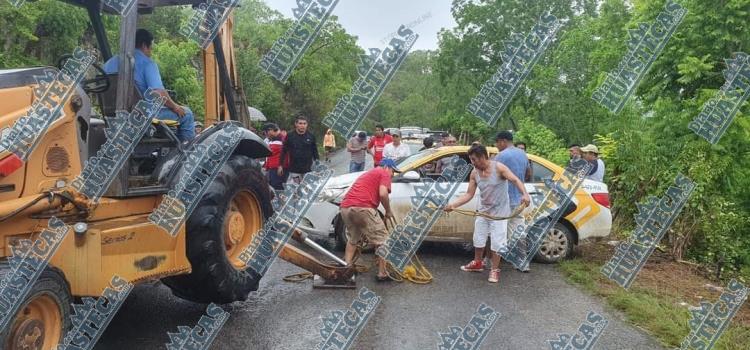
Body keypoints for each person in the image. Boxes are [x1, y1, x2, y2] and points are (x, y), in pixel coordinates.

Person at [444, 144, 530, 283]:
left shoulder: (499, 168)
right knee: (478, 238)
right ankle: (478, 263)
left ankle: (495, 270)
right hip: (483, 211)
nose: (472, 162)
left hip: (499, 213)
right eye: (471, 159)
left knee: (497, 242)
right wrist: (453, 205)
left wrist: (525, 194)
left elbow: (515, 179)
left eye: (474, 159)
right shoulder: (474, 173)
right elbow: (468, 194)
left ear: (483, 157)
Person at [103, 29, 195, 142]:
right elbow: (159, 93)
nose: (150, 52)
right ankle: (186, 155)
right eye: (150, 48)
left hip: (113, 115)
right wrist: (175, 107)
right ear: (144, 45)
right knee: (187, 114)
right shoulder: (147, 63)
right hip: (142, 116)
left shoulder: (108, 64)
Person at [340, 158, 399, 282]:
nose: (393, 175)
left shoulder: (368, 173)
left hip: (345, 207)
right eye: (393, 171)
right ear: (388, 167)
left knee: (353, 239)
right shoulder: (384, 173)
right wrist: (388, 211)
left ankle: (347, 268)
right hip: (363, 208)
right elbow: (383, 194)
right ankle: (382, 273)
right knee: (382, 241)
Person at [495, 131, 531, 272]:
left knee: (497, 231)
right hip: (519, 200)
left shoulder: (501, 156)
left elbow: (493, 174)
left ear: (503, 141)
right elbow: (528, 173)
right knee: (518, 232)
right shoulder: (522, 154)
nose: (497, 146)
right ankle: (523, 263)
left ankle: (491, 262)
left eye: (497, 143)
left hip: (504, 200)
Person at [280, 116, 319, 184]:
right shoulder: (290, 136)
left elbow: (315, 151)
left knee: (307, 190)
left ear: (307, 125)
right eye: (300, 123)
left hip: (308, 169)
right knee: (296, 190)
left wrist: (318, 164)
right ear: (296, 124)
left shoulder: (311, 136)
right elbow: (284, 151)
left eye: (304, 123)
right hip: (294, 169)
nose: (302, 125)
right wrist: (280, 165)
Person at [262, 123, 284, 190]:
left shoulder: (283, 138)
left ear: (270, 130)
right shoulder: (272, 140)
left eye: (265, 133)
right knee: (271, 186)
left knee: (277, 186)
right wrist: (265, 166)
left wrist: (281, 166)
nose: (266, 135)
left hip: (279, 169)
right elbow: (269, 156)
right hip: (272, 169)